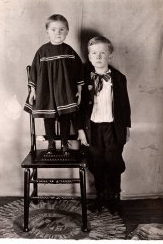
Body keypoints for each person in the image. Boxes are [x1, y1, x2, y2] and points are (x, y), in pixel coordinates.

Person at [78, 36, 131, 214]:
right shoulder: (83, 80)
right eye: (94, 53)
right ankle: (100, 197)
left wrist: (126, 127)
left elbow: (124, 105)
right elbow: (79, 107)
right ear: (89, 56)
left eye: (102, 53)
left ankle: (114, 198)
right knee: (97, 162)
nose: (98, 57)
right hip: (92, 129)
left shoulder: (119, 78)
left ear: (110, 56)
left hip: (113, 129)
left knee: (114, 162)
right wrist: (80, 130)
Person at [24, 14, 84, 155]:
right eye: (54, 29)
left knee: (65, 117)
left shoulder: (69, 51)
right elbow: (34, 70)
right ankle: (51, 144)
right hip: (47, 90)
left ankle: (64, 144)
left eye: (62, 29)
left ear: (67, 31)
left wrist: (79, 90)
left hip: (65, 91)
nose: (58, 32)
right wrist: (33, 90)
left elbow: (78, 71)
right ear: (47, 32)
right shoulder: (42, 51)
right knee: (49, 117)